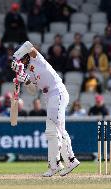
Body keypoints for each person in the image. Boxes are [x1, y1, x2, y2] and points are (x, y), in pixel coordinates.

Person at [11, 41, 80, 177]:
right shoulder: (25, 70)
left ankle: (69, 161)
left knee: (58, 129)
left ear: (24, 56)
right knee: (51, 132)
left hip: (58, 93)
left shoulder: (37, 58)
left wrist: (15, 58)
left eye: (21, 59)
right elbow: (32, 91)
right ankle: (57, 164)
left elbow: (28, 45)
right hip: (50, 98)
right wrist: (25, 79)